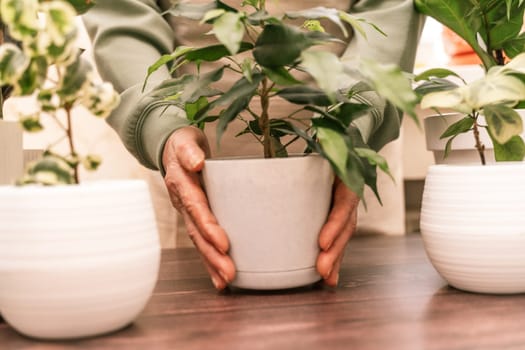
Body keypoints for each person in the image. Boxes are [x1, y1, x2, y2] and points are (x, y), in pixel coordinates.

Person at [82, 0, 424, 290]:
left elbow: (389, 11)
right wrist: (161, 124)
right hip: (179, 155)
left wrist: (356, 116)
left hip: (350, 141)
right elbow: (120, 12)